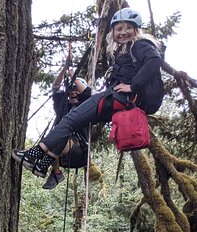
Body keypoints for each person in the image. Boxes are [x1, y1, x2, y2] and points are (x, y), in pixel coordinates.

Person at [14, 7, 164, 180]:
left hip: (115, 98)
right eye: (119, 29)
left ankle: (34, 155)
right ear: (113, 32)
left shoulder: (139, 44)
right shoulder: (125, 50)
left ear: (136, 29)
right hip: (118, 101)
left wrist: (133, 86)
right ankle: (44, 164)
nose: (123, 33)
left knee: (69, 121)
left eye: (128, 28)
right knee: (73, 124)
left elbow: (154, 61)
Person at [42, 65, 92, 189]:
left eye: (76, 90)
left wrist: (73, 76)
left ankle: (54, 171)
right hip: (64, 154)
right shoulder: (63, 105)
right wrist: (64, 68)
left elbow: (86, 93)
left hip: (80, 150)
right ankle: (56, 172)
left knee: (55, 141)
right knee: (47, 144)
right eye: (71, 90)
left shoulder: (88, 106)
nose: (73, 92)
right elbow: (55, 87)